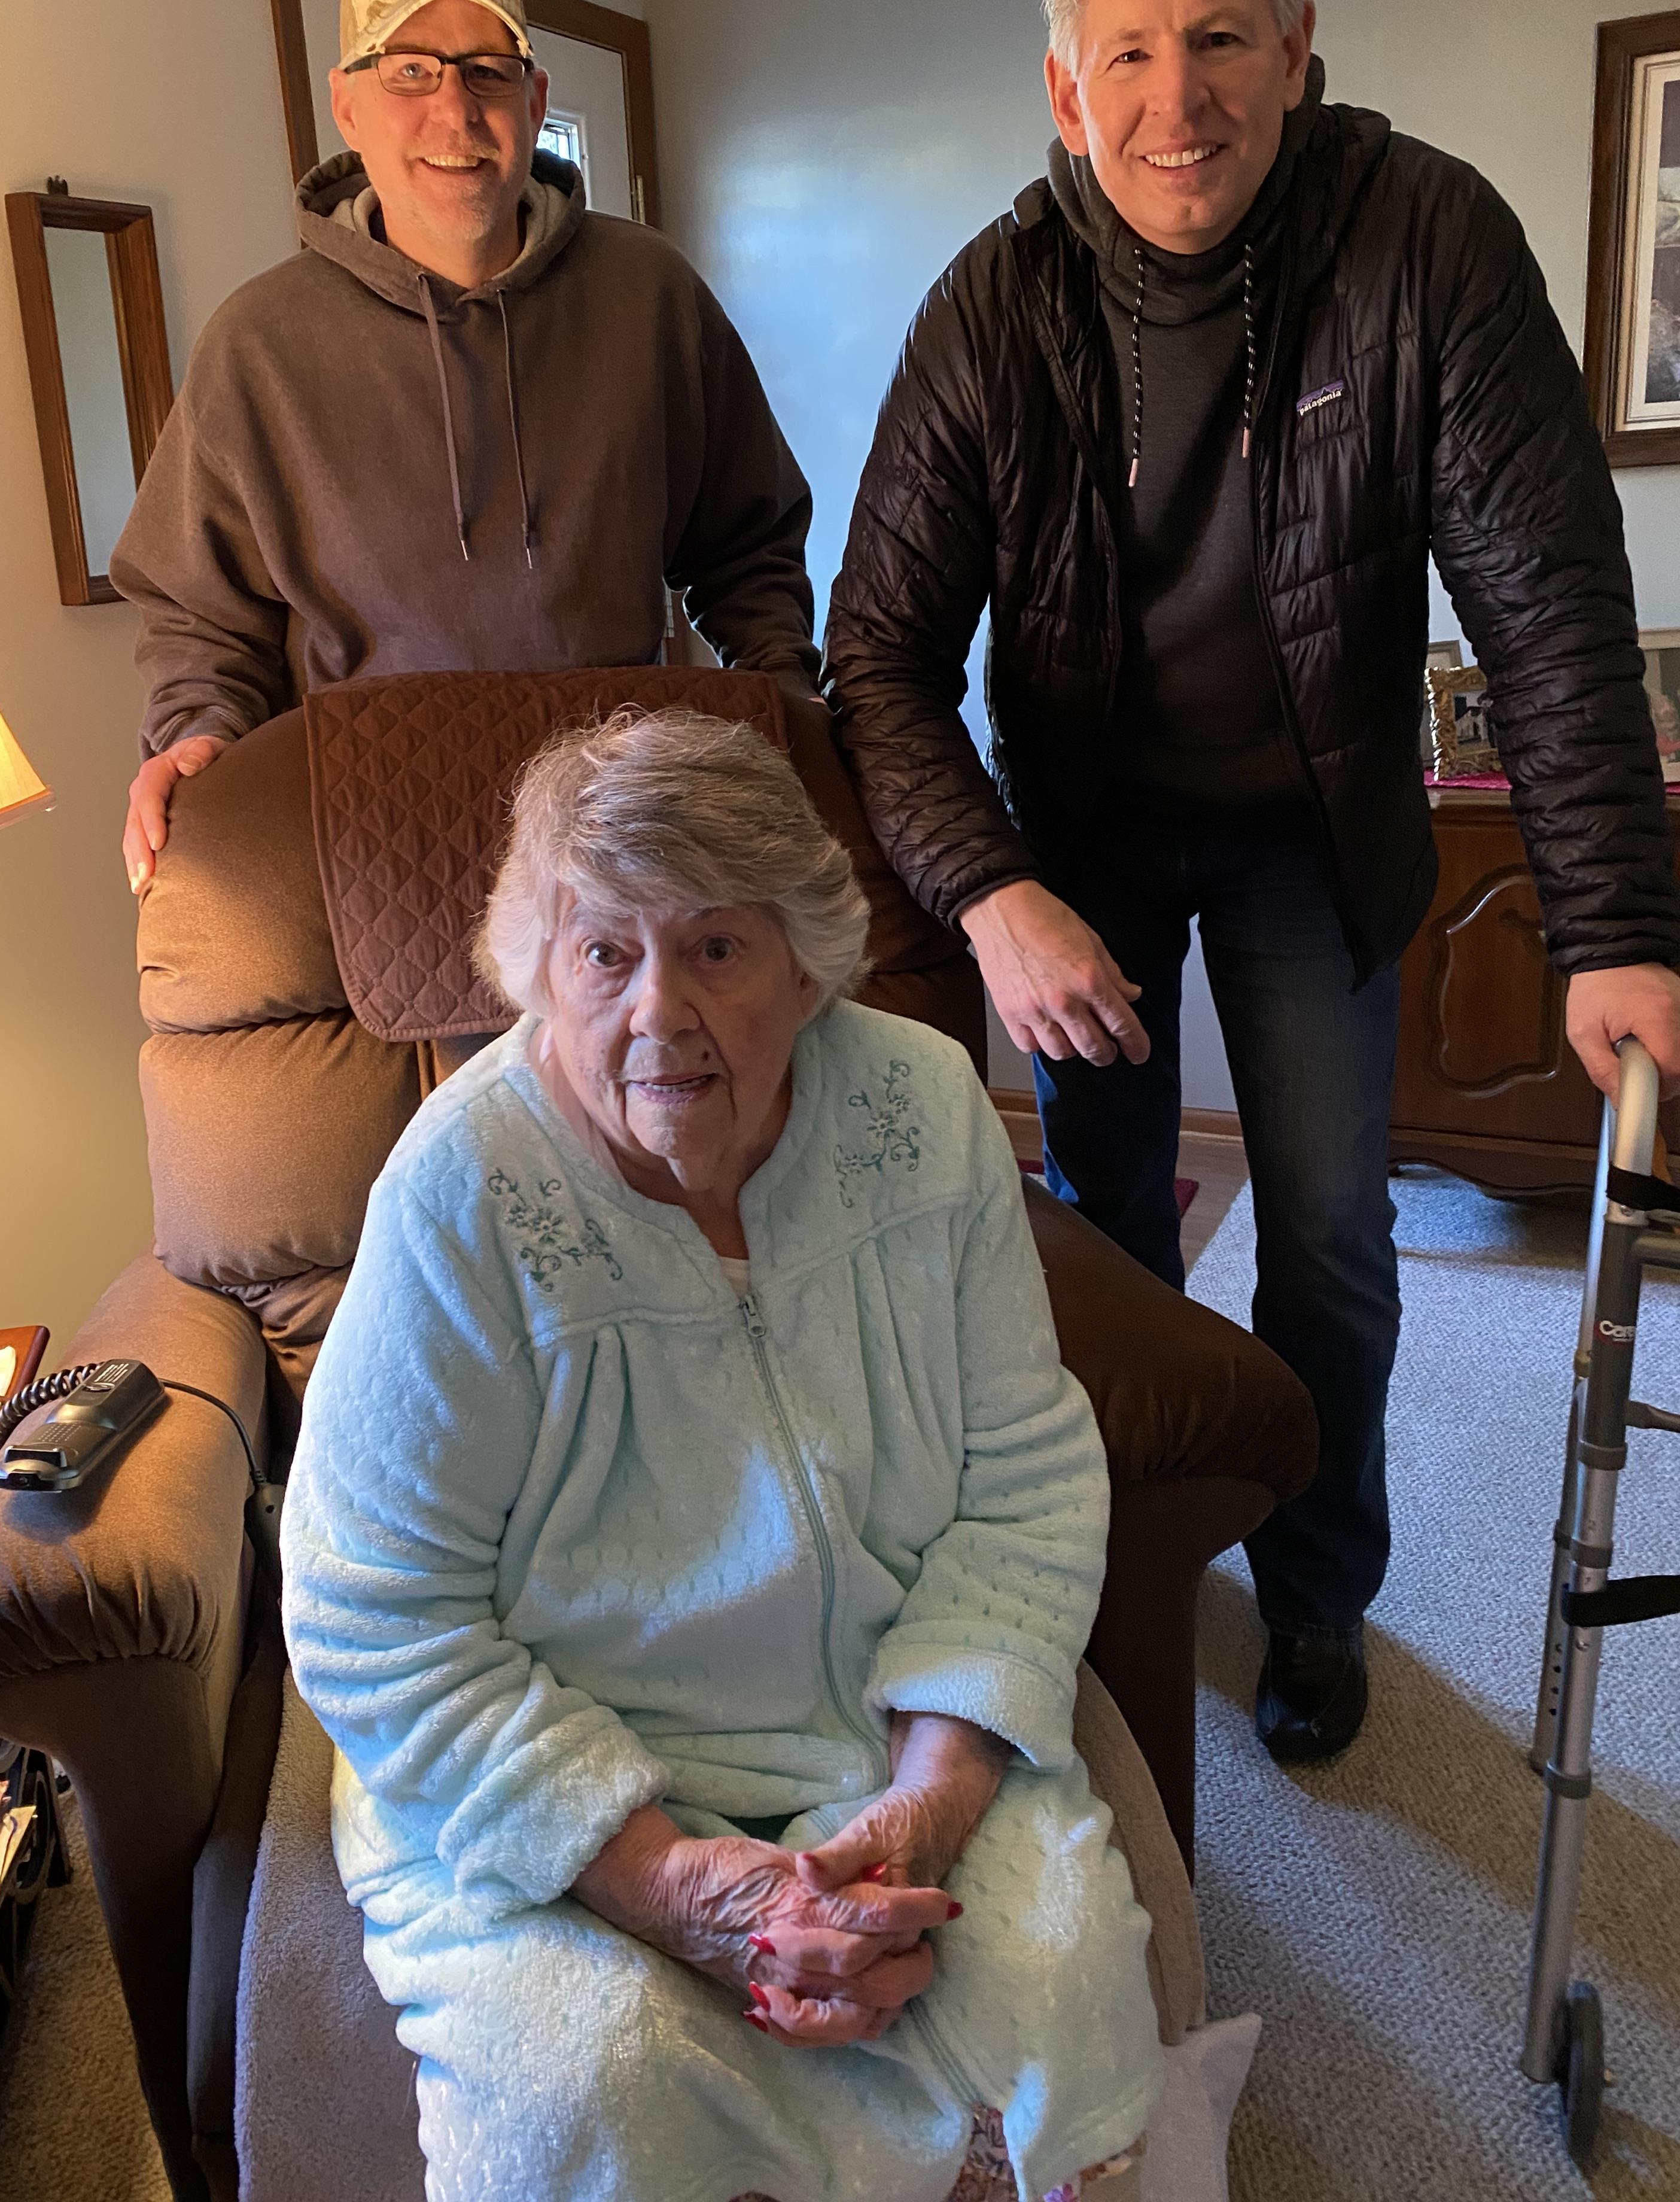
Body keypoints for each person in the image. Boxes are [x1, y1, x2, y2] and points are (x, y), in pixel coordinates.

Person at [825, 0, 1680, 1765]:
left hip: (1315, 827)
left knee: (1331, 1239)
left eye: (1219, 40)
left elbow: (1543, 591)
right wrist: (987, 889)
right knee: (1107, 1231)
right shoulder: (991, 309)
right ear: (1064, 85)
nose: (1175, 97)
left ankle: (1312, 1597)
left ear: (1300, 45)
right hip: (1081, 838)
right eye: (1127, 52)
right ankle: (1128, 1559)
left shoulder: (1423, 240)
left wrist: (1620, 923)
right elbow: (872, 650)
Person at [281, 711, 1162, 2202]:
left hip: (884, 1731)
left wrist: (924, 1805)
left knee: (1065, 1994)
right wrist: (672, 1884)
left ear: (808, 967)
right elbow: (377, 1614)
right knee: (596, 2095)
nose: (656, 1015)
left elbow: (1025, 1474)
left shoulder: (925, 1110)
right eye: (604, 954)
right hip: (573, 1781)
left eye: (714, 950)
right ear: (539, 967)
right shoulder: (461, 1190)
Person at [114, 0, 815, 891]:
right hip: (376, 839)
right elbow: (200, 614)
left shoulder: (652, 296)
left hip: (620, 835)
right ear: (347, 106)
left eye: (488, 70)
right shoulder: (256, 345)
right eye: (410, 69)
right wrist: (197, 732)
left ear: (533, 100)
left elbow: (750, 544)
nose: (455, 110)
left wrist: (780, 700)